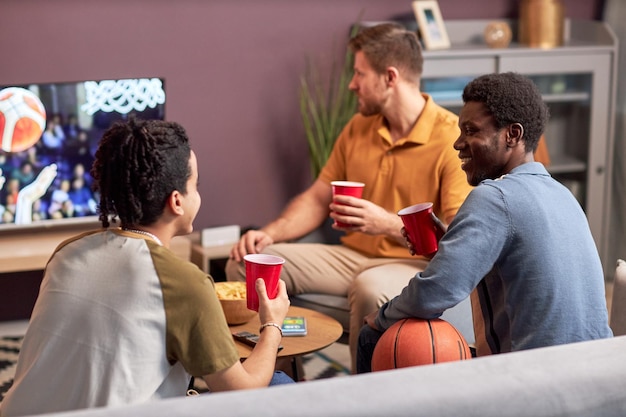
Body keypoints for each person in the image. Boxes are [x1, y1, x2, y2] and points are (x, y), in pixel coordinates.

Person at [0, 118, 292, 417]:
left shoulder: (68, 251)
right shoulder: (183, 282)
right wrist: (273, 325)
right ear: (177, 201)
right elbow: (242, 392)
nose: (198, 194)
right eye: (196, 185)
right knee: (279, 384)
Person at [225, 22, 473, 372]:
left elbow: (457, 240)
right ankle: (270, 376)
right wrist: (272, 233)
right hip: (351, 256)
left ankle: (360, 395)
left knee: (369, 287)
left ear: (389, 77)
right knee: (248, 262)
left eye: (359, 74)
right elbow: (316, 198)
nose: (351, 84)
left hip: (414, 264)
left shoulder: (450, 138)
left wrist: (387, 223)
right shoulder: (359, 127)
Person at [356, 72, 613, 373]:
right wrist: (449, 250)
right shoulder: (563, 195)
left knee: (372, 337)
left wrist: (381, 316)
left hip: (540, 381)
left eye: (471, 131)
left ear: (512, 135)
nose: (458, 143)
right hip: (598, 372)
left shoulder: (494, 197)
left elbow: (433, 294)